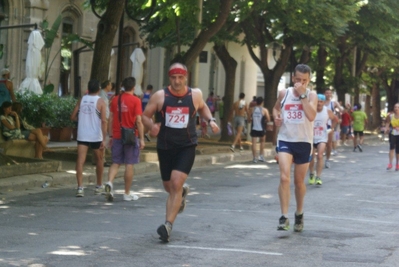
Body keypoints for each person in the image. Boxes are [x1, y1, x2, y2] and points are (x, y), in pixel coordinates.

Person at [142, 63, 219, 242]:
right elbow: (145, 115)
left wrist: (211, 120)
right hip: (166, 146)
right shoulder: (160, 96)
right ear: (169, 78)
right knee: (169, 187)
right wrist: (151, 126)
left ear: (186, 77)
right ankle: (181, 194)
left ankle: (167, 225)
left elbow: (203, 108)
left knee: (176, 183)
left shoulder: (195, 95)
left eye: (180, 77)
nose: (177, 81)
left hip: (187, 146)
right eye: (173, 78)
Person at [272, 64, 317, 232]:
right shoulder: (284, 93)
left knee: (299, 182)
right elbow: (276, 108)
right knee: (284, 177)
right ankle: (284, 217)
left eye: (304, 81)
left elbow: (311, 116)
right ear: (293, 78)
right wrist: (276, 116)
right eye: (298, 80)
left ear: (309, 80)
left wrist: (303, 95)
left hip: (304, 142)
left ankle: (299, 212)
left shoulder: (311, 95)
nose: (300, 83)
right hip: (285, 139)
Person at [104, 77, 145, 202]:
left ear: (122, 87)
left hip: (117, 135)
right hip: (131, 136)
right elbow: (138, 120)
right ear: (134, 87)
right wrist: (142, 138)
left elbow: (110, 118)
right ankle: (126, 193)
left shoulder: (116, 99)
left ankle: (110, 183)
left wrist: (110, 135)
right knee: (129, 164)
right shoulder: (136, 101)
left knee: (116, 162)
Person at [70, 80, 107, 197]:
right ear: (99, 90)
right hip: (96, 135)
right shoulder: (101, 102)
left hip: (82, 134)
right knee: (99, 160)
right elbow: (104, 121)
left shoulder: (82, 100)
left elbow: (72, 117)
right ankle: (99, 186)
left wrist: (81, 120)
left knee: (80, 160)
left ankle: (80, 187)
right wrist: (104, 138)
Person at [308, 94, 338, 185]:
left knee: (320, 155)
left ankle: (318, 176)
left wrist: (332, 128)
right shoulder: (311, 110)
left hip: (322, 137)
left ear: (324, 102)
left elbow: (335, 119)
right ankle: (312, 173)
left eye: (321, 102)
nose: (319, 103)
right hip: (311, 137)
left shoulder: (327, 111)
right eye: (318, 101)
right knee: (311, 157)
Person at [92, 80, 112, 167]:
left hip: (104, 118)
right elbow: (102, 107)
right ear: (107, 85)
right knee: (102, 139)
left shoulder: (104, 94)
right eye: (110, 85)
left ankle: (99, 159)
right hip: (103, 119)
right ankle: (100, 160)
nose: (111, 86)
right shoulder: (102, 94)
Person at [324, 88, 343, 168]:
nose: (328, 94)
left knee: (329, 143)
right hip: (319, 125)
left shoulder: (333, 103)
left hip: (329, 125)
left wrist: (340, 109)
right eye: (327, 93)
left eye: (330, 93)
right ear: (324, 94)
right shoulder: (320, 102)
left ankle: (327, 159)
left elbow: (341, 109)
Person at [249, 96, 270, 163]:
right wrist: (265, 121)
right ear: (262, 102)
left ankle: (255, 157)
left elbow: (249, 119)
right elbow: (269, 119)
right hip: (261, 128)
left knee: (254, 143)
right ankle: (261, 156)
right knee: (262, 142)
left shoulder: (252, 109)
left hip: (254, 128)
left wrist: (252, 119)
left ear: (256, 102)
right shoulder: (264, 110)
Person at [385, 103, 399, 170]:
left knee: (398, 150)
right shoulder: (391, 116)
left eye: (397, 107)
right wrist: (386, 128)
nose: (396, 108)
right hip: (392, 133)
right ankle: (390, 163)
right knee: (391, 148)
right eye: (395, 107)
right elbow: (388, 123)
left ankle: (397, 164)